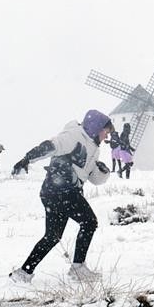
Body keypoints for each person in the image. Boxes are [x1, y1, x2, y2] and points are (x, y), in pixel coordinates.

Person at [8, 110, 113, 284]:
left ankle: (23, 273)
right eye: (105, 131)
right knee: (89, 222)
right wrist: (27, 159)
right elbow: (50, 146)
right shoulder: (74, 135)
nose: (106, 136)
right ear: (96, 127)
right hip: (62, 189)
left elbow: (92, 178)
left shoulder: (93, 147)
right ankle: (78, 269)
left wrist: (103, 172)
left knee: (53, 236)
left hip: (55, 192)